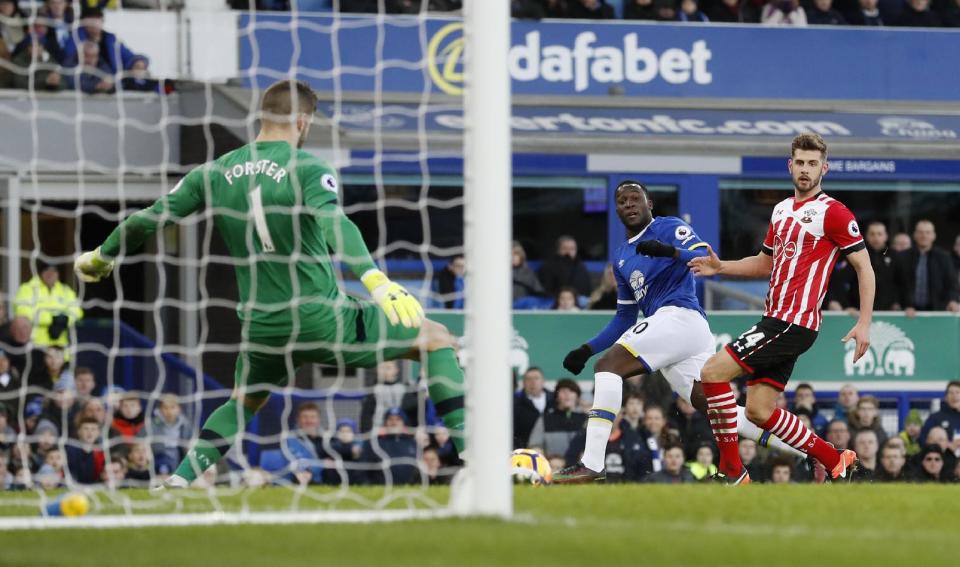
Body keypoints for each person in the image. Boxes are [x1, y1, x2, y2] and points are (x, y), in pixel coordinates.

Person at [75, 79, 467, 489]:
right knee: (436, 337)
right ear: (302, 120)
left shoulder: (214, 171)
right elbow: (336, 223)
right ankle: (474, 456)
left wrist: (102, 254)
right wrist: (377, 281)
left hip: (262, 327)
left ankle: (179, 479)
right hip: (319, 317)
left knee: (241, 402)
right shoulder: (309, 168)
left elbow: (148, 218)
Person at [554, 180, 804, 484]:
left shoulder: (669, 226)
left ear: (650, 205)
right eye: (622, 201)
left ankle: (591, 464)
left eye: (636, 199)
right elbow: (624, 318)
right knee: (718, 410)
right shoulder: (621, 256)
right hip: (680, 334)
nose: (629, 204)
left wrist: (668, 251)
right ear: (617, 210)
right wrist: (587, 348)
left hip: (680, 317)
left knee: (608, 368)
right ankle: (818, 453)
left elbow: (703, 256)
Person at [690, 133, 873, 484]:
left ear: (825, 168)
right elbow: (764, 264)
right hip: (775, 321)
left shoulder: (834, 213)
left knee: (711, 373)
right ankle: (835, 459)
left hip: (792, 323)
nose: (805, 170)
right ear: (790, 165)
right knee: (759, 411)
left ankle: (731, 472)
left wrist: (864, 323)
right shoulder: (781, 209)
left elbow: (865, 268)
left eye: (812, 164)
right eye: (800, 163)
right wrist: (721, 267)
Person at [828, 221, 904, 311]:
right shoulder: (857, 255)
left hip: (888, 311)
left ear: (886, 236)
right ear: (866, 236)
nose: (876, 237)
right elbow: (841, 281)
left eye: (879, 234)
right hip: (859, 310)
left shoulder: (894, 255)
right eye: (872, 234)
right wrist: (847, 306)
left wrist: (899, 302)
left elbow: (902, 283)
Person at [14, 260, 82, 354]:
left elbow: (77, 312)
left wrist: (65, 319)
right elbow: (23, 312)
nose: (50, 274)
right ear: (40, 272)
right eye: (47, 270)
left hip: (59, 350)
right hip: (34, 348)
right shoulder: (27, 289)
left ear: (58, 273)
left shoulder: (66, 291)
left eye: (54, 271)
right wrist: (53, 319)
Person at [899, 220, 960, 313]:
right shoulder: (902, 257)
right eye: (920, 232)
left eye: (928, 232)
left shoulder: (944, 257)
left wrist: (953, 300)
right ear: (915, 235)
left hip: (937, 312)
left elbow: (952, 284)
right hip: (908, 312)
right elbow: (896, 283)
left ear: (933, 235)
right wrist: (899, 304)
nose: (924, 236)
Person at [528, 378, 586, 470]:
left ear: (577, 396)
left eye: (571, 391)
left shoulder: (586, 420)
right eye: (563, 391)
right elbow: (535, 446)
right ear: (556, 397)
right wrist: (546, 462)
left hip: (581, 470)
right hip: (552, 468)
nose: (567, 394)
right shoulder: (545, 419)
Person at [150, 394, 191, 475]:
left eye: (172, 407)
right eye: (165, 408)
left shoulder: (185, 424)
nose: (169, 411)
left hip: (180, 456)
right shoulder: (152, 424)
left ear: (179, 409)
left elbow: (193, 441)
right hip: (159, 457)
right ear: (160, 409)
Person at [513, 367, 552, 448]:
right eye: (528, 379)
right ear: (523, 383)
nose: (533, 382)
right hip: (525, 450)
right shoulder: (515, 403)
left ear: (543, 381)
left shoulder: (555, 400)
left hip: (553, 451)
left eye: (536, 378)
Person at [920, 380, 960, 449]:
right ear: (946, 397)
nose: (954, 396)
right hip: (944, 458)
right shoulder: (935, 418)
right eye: (951, 393)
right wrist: (944, 445)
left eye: (958, 392)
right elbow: (922, 439)